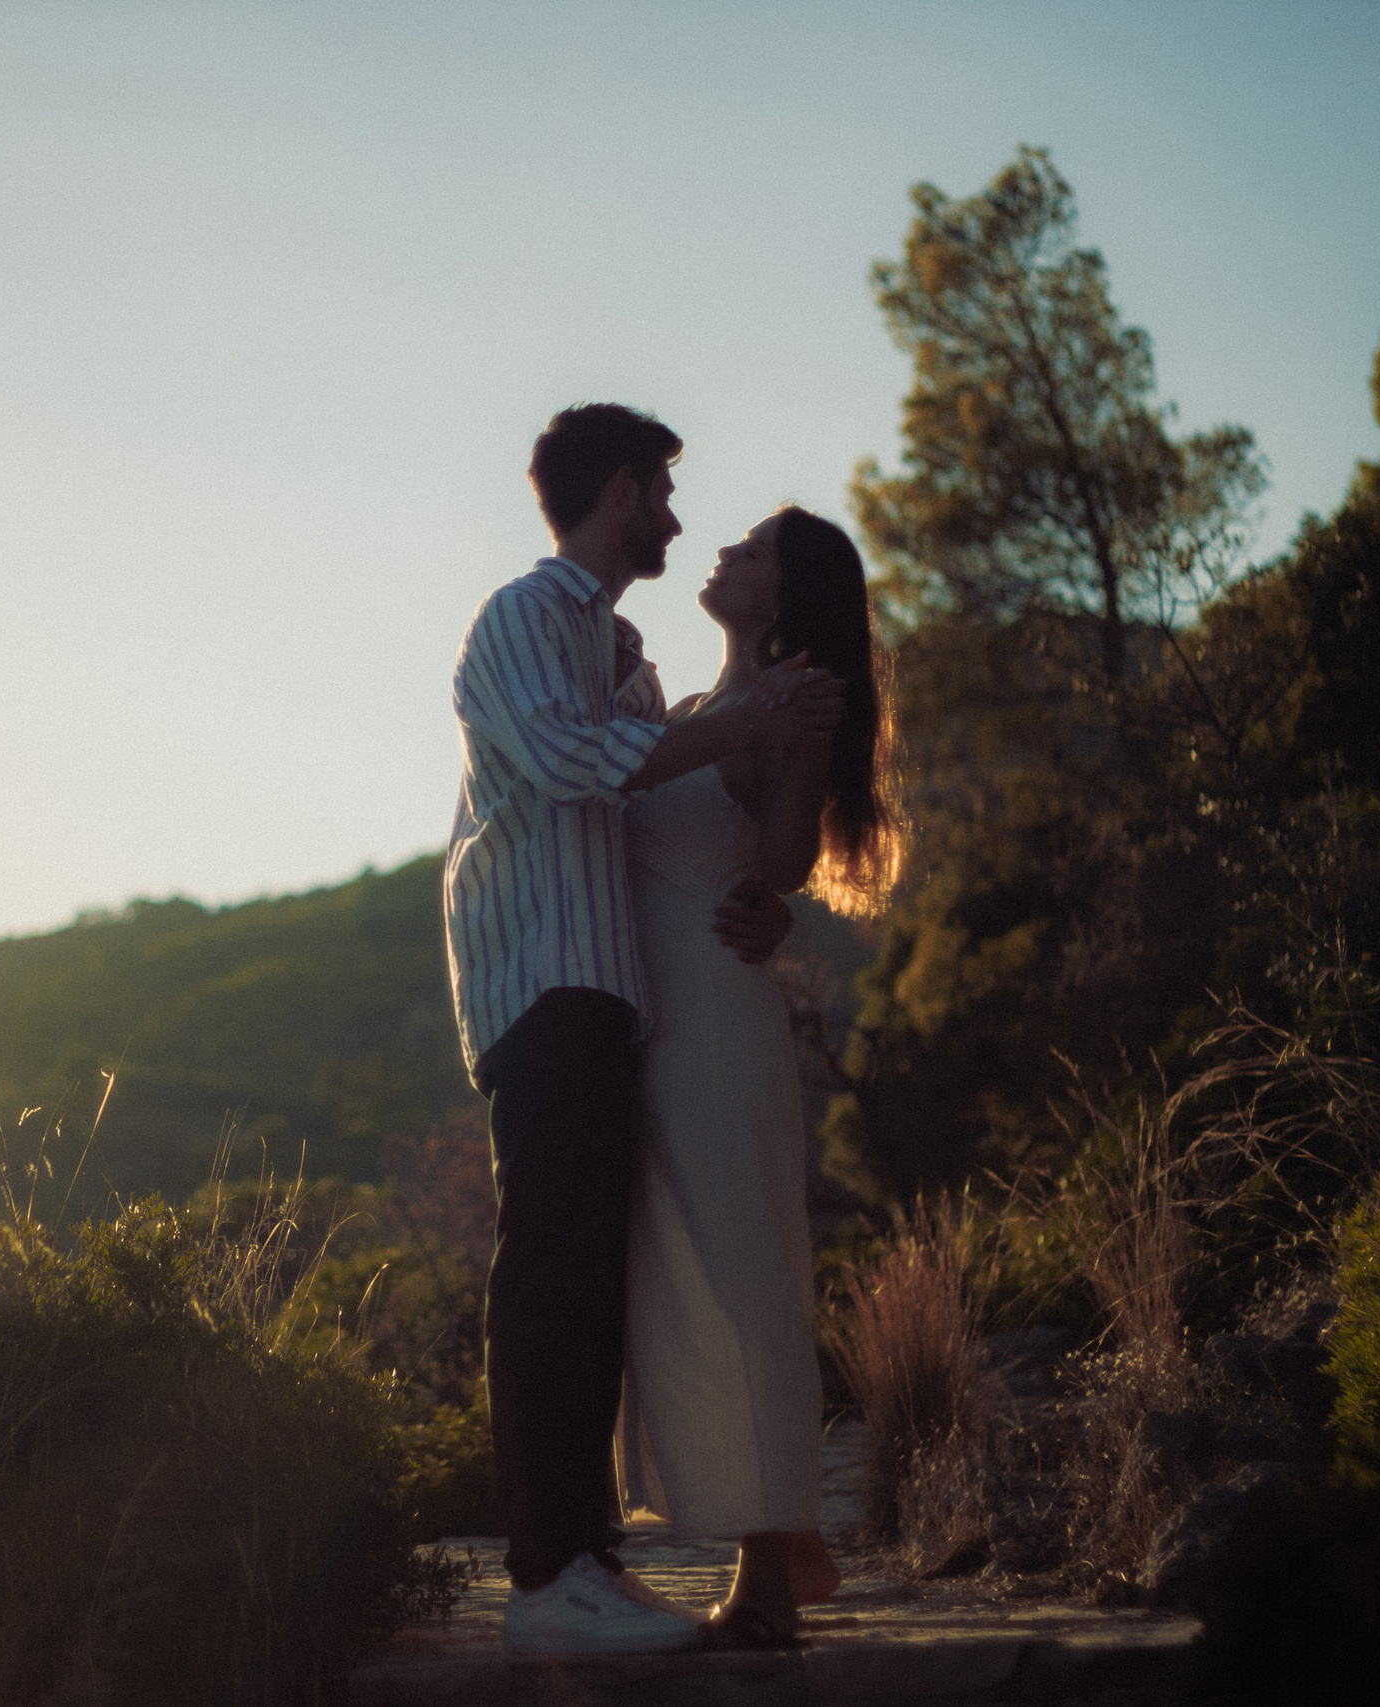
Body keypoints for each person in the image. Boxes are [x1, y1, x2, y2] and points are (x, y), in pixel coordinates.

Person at [444, 405, 843, 1657]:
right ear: (622, 491)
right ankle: (551, 1574)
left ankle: (595, 1563)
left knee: (595, 1282)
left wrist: (766, 901)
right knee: (558, 1276)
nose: (681, 520)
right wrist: (743, 726)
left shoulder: (622, 651)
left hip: (633, 1002)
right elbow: (573, 766)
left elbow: (671, 818)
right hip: (550, 981)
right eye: (666, 492)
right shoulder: (522, 615)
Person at [616, 505, 895, 1650]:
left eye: (754, 548)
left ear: (784, 594)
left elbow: (782, 859)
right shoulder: (695, 705)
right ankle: (790, 1539)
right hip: (659, 1015)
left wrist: (777, 886)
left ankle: (769, 1580)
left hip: (718, 1019)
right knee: (688, 1270)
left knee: (743, 1272)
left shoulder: (795, 701)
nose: (725, 552)